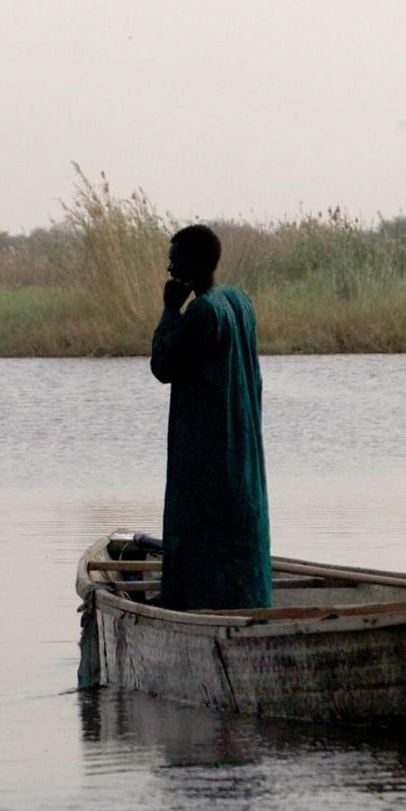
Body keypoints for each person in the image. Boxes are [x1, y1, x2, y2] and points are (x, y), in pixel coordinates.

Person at [149, 224, 272, 611]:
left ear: (197, 263)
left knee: (200, 533)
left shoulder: (203, 312)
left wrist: (170, 310)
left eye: (176, 262)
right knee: (235, 533)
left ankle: (198, 606)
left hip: (208, 454)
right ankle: (243, 602)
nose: (170, 270)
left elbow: (163, 365)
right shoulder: (239, 301)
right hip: (238, 451)